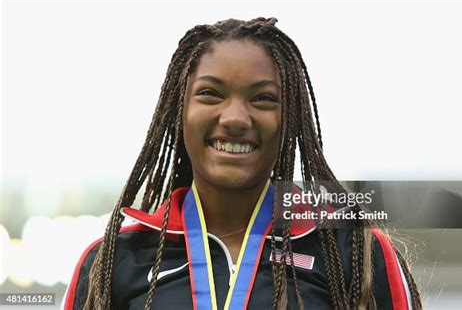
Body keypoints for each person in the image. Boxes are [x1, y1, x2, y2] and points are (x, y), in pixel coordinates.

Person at [62, 17, 422, 309]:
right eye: (210, 94)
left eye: (263, 99)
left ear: (291, 118)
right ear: (177, 112)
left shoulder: (353, 253)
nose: (235, 117)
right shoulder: (115, 261)